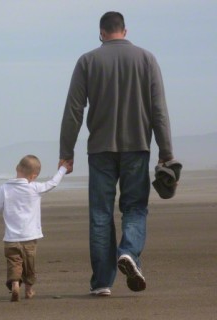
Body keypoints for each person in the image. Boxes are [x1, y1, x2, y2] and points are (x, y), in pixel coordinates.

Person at [59, 11, 175, 297]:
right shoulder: (146, 59)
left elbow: (74, 111)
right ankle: (129, 254)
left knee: (101, 214)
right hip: (137, 147)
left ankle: (101, 281)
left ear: (101, 33)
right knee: (135, 208)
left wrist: (66, 152)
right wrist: (166, 151)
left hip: (100, 149)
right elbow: (158, 109)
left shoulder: (87, 61)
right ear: (125, 30)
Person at [0, 155, 70, 302]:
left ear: (17, 168)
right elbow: (53, 183)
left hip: (11, 238)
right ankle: (29, 289)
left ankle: (15, 283)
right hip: (30, 237)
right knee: (29, 265)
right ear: (34, 176)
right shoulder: (35, 187)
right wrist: (63, 168)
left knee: (14, 262)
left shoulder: (4, 189)